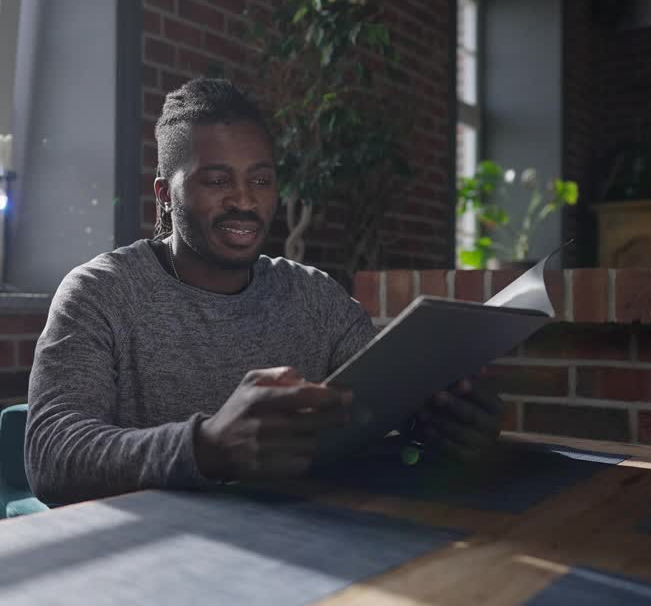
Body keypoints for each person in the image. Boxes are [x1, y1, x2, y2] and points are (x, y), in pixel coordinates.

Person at [25, 78, 502, 506]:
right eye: (217, 180)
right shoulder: (99, 293)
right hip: (149, 560)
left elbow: (385, 403)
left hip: (301, 546)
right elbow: (52, 454)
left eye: (261, 180)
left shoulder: (315, 297)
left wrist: (445, 421)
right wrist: (207, 446)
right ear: (165, 195)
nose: (244, 200)